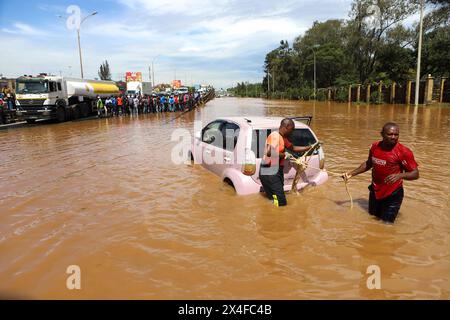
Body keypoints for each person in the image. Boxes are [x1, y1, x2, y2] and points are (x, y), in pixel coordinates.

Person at [342, 122, 419, 223]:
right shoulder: (374, 147)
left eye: (396, 134)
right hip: (375, 191)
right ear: (382, 134)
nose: (393, 137)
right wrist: (351, 173)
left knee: (386, 225)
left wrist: (400, 175)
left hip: (393, 194)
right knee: (372, 220)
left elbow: (415, 173)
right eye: (390, 134)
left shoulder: (404, 152)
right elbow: (369, 163)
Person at [259, 118, 312, 207]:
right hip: (270, 171)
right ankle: (278, 216)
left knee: (274, 198)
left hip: (274, 171)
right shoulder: (275, 136)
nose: (292, 132)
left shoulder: (283, 138)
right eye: (291, 130)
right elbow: (268, 152)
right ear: (286, 127)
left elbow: (293, 148)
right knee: (281, 202)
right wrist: (284, 155)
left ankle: (271, 214)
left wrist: (309, 147)